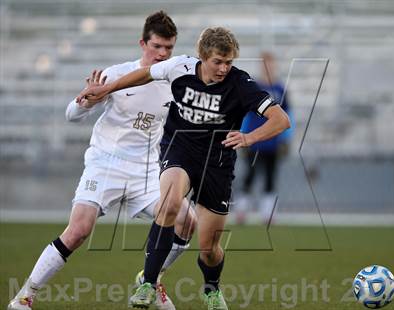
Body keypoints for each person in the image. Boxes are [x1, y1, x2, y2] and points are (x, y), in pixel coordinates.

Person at [77, 27, 291, 310]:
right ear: (203, 57)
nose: (224, 68)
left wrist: (249, 137)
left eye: (229, 62)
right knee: (169, 204)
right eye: (217, 62)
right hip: (180, 152)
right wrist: (106, 88)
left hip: (218, 164)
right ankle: (148, 284)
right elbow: (145, 74)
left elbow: (281, 119)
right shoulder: (181, 67)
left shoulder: (240, 84)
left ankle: (211, 289)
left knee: (208, 247)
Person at [8, 11, 196, 310]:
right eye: (157, 46)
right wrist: (86, 102)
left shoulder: (175, 81)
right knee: (79, 230)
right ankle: (25, 297)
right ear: (142, 43)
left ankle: (150, 279)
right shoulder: (117, 74)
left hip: (146, 171)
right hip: (106, 163)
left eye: (169, 48)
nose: (163, 54)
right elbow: (72, 114)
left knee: (188, 221)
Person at [236, 51, 294, 224]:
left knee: (270, 176)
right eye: (265, 64)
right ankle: (241, 210)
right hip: (254, 140)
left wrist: (286, 138)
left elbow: (288, 114)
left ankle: (268, 213)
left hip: (273, 141)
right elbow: (244, 114)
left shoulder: (280, 89)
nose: (268, 67)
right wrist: (243, 135)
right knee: (249, 175)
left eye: (271, 64)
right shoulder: (253, 87)